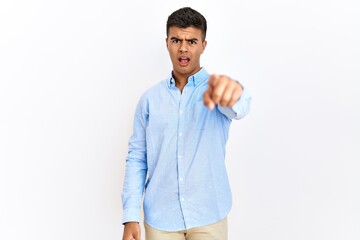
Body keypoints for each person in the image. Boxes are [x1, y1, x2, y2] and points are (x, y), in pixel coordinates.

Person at [121, 7, 252, 240]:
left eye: (191, 41)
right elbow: (137, 158)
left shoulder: (216, 90)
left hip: (209, 215)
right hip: (161, 219)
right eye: (176, 40)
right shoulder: (149, 100)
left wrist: (235, 93)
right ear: (167, 43)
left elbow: (239, 106)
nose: (183, 47)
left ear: (203, 45)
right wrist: (130, 215)